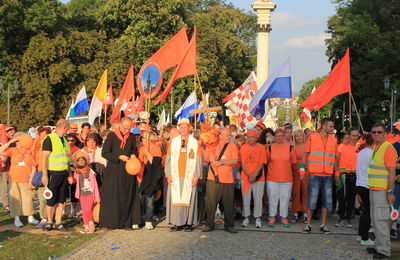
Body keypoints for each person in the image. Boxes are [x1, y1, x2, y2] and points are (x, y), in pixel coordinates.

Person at [99, 117, 141, 229]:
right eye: (125, 128)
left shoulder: (131, 137)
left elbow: (134, 150)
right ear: (120, 126)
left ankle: (127, 222)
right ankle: (114, 222)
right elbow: (105, 153)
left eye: (129, 128)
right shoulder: (112, 136)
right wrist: (118, 157)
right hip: (114, 170)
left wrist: (133, 155)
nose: (127, 131)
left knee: (127, 196)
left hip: (127, 171)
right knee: (114, 197)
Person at [301, 118, 338, 235]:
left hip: (328, 175)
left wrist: (336, 175)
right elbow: (304, 155)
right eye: (331, 126)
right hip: (314, 174)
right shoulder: (312, 138)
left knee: (326, 201)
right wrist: (302, 172)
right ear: (324, 126)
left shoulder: (333, 141)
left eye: (332, 126)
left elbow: (335, 159)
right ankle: (308, 224)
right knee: (312, 200)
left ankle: (323, 224)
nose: (332, 129)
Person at [165, 118, 202, 232]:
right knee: (176, 199)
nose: (183, 129)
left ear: (189, 128)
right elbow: (168, 159)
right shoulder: (174, 142)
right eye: (181, 127)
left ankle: (189, 223)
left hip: (189, 175)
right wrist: (168, 174)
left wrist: (197, 175)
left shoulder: (194, 143)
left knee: (189, 199)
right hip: (176, 175)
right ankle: (177, 222)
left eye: (185, 127)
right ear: (179, 128)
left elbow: (198, 160)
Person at [366, 123, 397, 259]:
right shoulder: (377, 147)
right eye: (374, 132)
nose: (376, 134)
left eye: (379, 132)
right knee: (376, 219)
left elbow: (392, 171)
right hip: (374, 188)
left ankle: (384, 250)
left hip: (383, 190)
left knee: (381, 220)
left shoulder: (387, 148)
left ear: (385, 134)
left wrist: (389, 191)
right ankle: (379, 246)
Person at [203, 127, 238, 233]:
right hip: (213, 178)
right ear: (221, 136)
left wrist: (222, 163)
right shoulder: (211, 145)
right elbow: (205, 159)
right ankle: (209, 224)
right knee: (211, 202)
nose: (230, 137)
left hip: (228, 179)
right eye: (228, 135)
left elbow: (235, 160)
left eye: (230, 135)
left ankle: (229, 225)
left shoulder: (232, 146)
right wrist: (210, 159)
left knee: (228, 203)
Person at [0, 134, 39, 227]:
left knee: (28, 199)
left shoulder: (30, 152)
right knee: (15, 200)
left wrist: (31, 180)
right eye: (17, 142)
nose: (19, 144)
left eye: (20, 142)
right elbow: (1, 151)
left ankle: (30, 216)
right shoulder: (13, 151)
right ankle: (16, 218)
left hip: (26, 180)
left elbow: (34, 167)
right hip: (14, 180)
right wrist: (10, 141)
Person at [41, 119, 73, 231]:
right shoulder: (49, 139)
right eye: (68, 128)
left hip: (63, 173)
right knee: (51, 199)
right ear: (64, 128)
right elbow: (44, 158)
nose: (68, 131)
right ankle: (49, 221)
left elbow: (67, 159)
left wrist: (69, 174)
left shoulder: (64, 140)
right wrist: (44, 175)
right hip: (52, 174)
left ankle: (58, 221)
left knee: (61, 199)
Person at [265, 128, 297, 228]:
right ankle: (272, 217)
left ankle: (284, 217)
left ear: (284, 137)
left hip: (286, 178)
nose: (279, 138)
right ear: (275, 137)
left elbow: (293, 163)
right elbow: (266, 161)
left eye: (281, 136)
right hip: (272, 178)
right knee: (272, 198)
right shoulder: (270, 148)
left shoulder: (290, 148)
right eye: (277, 136)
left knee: (285, 199)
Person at [239, 129, 266, 228]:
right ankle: (246, 217)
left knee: (258, 198)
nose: (250, 139)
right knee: (246, 198)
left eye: (252, 137)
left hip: (258, 177)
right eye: (249, 137)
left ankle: (257, 218)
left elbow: (261, 163)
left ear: (256, 137)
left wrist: (254, 174)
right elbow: (242, 163)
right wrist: (249, 174)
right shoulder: (243, 147)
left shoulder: (261, 147)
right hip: (245, 176)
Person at [335, 128, 360, 228]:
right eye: (353, 135)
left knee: (351, 197)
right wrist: (336, 174)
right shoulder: (342, 146)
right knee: (342, 197)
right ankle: (341, 217)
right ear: (349, 136)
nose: (355, 137)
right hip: (343, 174)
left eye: (356, 135)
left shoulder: (360, 148)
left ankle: (348, 218)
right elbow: (336, 160)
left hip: (355, 175)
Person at [139, 131, 163, 230]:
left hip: (151, 179)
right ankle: (139, 218)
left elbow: (155, 164)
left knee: (149, 201)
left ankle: (148, 220)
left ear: (150, 140)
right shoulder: (140, 149)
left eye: (144, 138)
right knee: (140, 200)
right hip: (141, 177)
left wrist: (148, 154)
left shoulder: (156, 150)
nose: (142, 139)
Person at [73, 152, 100, 233]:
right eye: (80, 168)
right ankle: (86, 225)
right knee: (84, 210)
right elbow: (74, 180)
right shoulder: (77, 173)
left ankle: (91, 222)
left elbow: (95, 185)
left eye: (83, 168)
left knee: (88, 209)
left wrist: (97, 197)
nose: (82, 170)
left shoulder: (91, 173)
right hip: (82, 194)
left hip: (90, 194)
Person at [356, 133, 374, 246]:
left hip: (359, 183)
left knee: (365, 211)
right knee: (368, 212)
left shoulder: (361, 152)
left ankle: (360, 234)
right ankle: (364, 237)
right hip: (367, 185)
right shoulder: (371, 154)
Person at [32, 126, 52, 228]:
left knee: (51, 197)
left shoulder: (52, 147)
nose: (43, 136)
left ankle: (52, 217)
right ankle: (44, 217)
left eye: (45, 134)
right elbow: (34, 165)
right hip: (41, 174)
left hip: (51, 173)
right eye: (41, 135)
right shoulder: (37, 149)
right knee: (42, 197)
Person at [291, 129, 308, 223]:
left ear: (303, 136)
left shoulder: (307, 146)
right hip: (295, 172)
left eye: (300, 135)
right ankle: (295, 213)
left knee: (306, 192)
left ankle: (306, 213)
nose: (299, 138)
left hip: (306, 171)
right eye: (297, 136)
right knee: (295, 193)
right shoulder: (293, 147)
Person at [66, 133, 80, 217]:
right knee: (63, 192)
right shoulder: (63, 149)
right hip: (65, 171)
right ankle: (62, 211)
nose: (70, 142)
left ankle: (73, 210)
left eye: (72, 140)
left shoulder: (78, 150)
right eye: (68, 140)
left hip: (74, 171)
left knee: (73, 191)